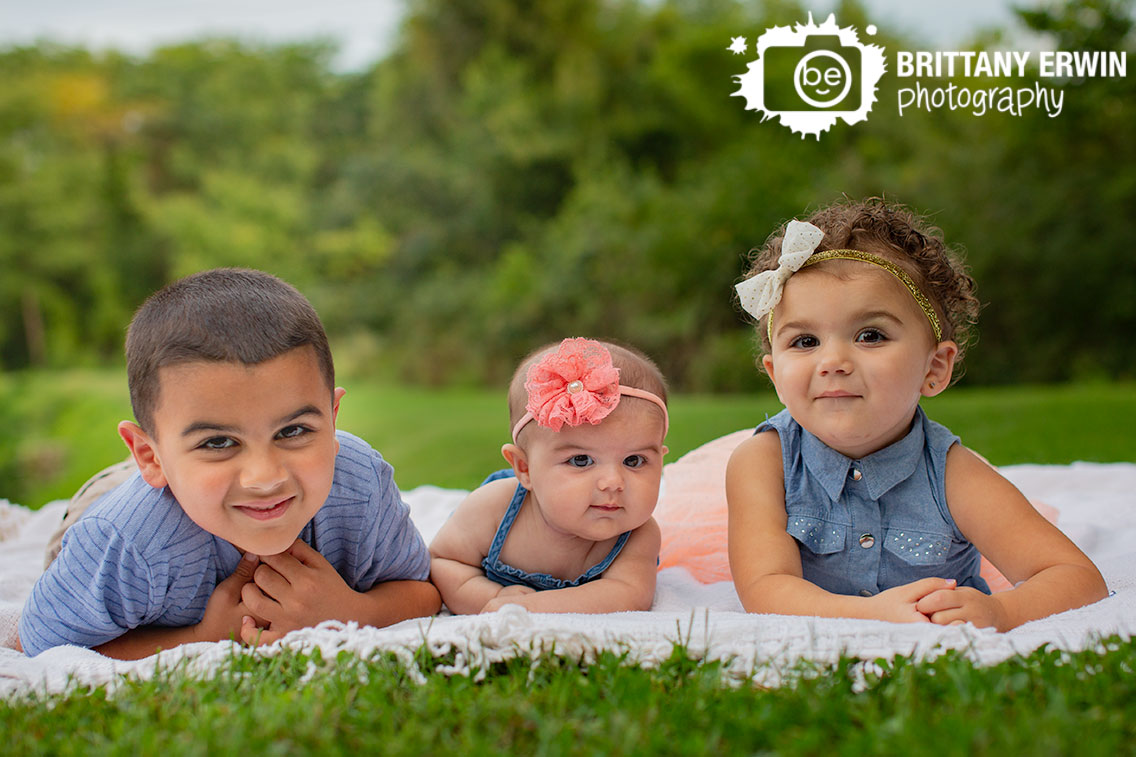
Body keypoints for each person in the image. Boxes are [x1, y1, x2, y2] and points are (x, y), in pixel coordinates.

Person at [727, 199, 1107, 630]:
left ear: (934, 368)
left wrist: (1002, 611)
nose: (832, 361)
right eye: (805, 341)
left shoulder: (953, 475)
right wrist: (871, 615)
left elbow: (1076, 577)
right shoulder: (764, 461)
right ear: (775, 374)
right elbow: (765, 586)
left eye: (870, 335)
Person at [19, 269, 439, 658]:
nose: (265, 477)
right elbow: (42, 644)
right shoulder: (123, 541)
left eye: (293, 431)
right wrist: (200, 638)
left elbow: (422, 592)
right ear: (149, 455)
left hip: (187, 481)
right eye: (218, 441)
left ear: (333, 420)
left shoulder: (361, 482)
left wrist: (353, 612)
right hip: (115, 498)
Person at [430, 338, 668, 614]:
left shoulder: (638, 534)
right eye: (581, 460)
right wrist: (491, 598)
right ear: (525, 469)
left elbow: (628, 595)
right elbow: (443, 561)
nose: (612, 482)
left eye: (634, 460)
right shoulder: (493, 507)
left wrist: (528, 608)